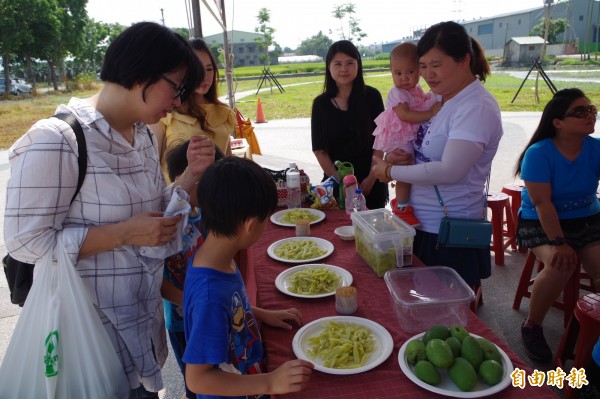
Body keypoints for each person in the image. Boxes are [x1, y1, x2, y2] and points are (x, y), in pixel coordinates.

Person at [4, 22, 217, 398]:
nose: (179, 100)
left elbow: (150, 215)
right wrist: (123, 233)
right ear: (142, 74)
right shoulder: (57, 140)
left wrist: (187, 179)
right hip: (88, 343)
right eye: (177, 87)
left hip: (143, 335)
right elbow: (26, 243)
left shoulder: (143, 136)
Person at [372, 21, 503, 288]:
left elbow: (449, 170)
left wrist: (389, 172)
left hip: (450, 232)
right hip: (421, 225)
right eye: (423, 66)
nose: (428, 74)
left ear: (464, 60)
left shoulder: (476, 106)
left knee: (448, 319)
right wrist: (398, 158)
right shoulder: (438, 98)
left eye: (436, 64)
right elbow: (420, 148)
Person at [183, 156, 314, 398]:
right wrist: (269, 383)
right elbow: (197, 378)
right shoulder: (210, 296)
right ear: (251, 225)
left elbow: (232, 309)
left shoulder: (215, 257)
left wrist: (262, 314)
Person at [513, 88, 600, 363]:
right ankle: (532, 325)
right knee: (561, 264)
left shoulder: (595, 148)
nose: (590, 115)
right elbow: (542, 204)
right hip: (541, 221)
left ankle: (592, 328)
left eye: (592, 110)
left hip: (587, 219)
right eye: (580, 111)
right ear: (558, 122)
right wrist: (559, 242)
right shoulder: (539, 153)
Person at [161, 140, 224, 399]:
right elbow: (157, 281)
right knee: (196, 384)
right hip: (182, 321)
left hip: (208, 313)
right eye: (206, 180)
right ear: (182, 179)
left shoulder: (207, 213)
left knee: (217, 375)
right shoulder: (168, 223)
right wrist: (192, 303)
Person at [311, 40, 388, 210]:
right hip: (336, 186)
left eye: (349, 63)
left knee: (372, 234)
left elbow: (380, 140)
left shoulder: (372, 97)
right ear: (329, 67)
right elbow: (320, 150)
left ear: (358, 65)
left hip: (372, 182)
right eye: (337, 64)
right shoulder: (321, 104)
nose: (344, 69)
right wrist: (344, 184)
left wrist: (370, 179)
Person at [372, 42, 441, 226]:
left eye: (410, 72)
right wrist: (430, 113)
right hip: (398, 134)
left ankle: (402, 204)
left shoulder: (416, 90)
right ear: (391, 71)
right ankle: (402, 206)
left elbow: (424, 103)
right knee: (405, 163)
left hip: (407, 134)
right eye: (398, 73)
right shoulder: (397, 92)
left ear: (419, 71)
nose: (404, 78)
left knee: (406, 163)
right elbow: (405, 115)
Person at [151, 38, 236, 183]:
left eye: (209, 69)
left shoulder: (223, 112)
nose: (205, 76)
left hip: (215, 198)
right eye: (197, 69)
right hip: (176, 198)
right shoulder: (165, 111)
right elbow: (152, 165)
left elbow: (227, 160)